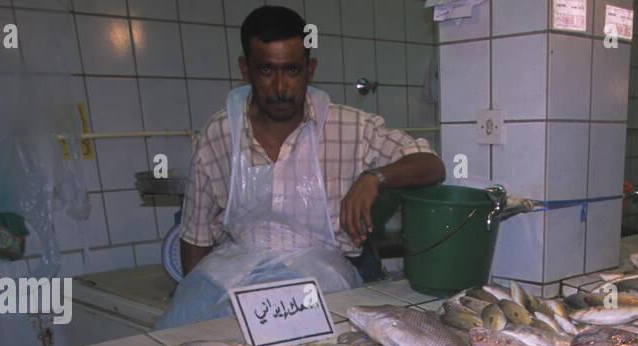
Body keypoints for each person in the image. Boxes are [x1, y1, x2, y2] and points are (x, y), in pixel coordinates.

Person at [159, 4, 444, 328]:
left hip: (319, 280)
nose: (280, 87)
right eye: (267, 71)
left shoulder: (349, 127)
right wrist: (192, 300)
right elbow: (195, 237)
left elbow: (431, 165)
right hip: (226, 276)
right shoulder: (219, 134)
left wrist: (374, 178)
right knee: (176, 342)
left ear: (309, 70)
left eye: (292, 71)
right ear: (245, 69)